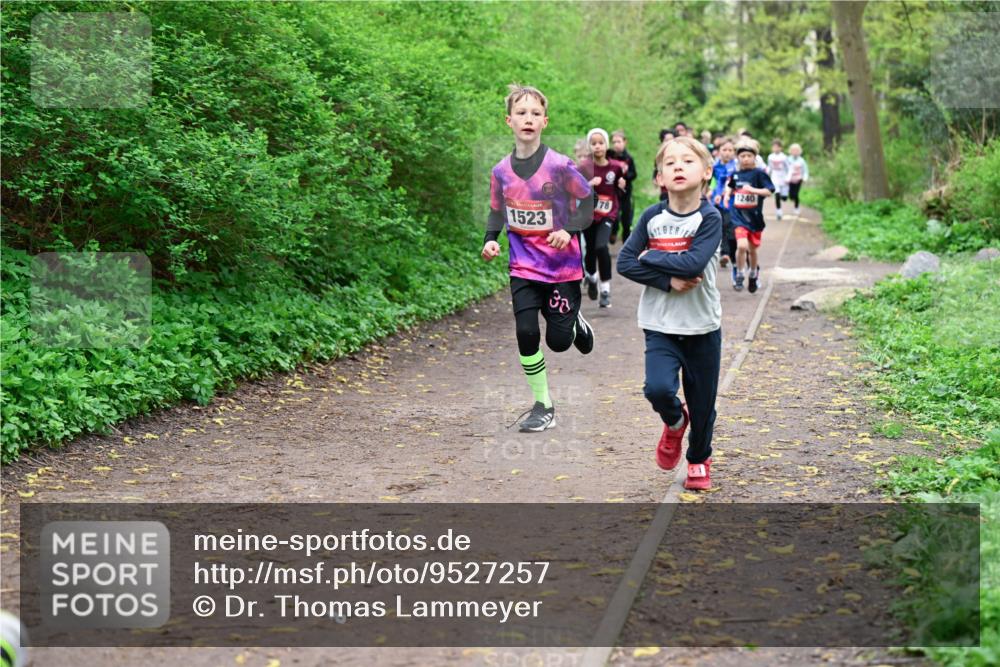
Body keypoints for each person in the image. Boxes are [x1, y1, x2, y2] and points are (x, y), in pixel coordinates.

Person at [481, 84, 596, 432]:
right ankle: (543, 405)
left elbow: (587, 202)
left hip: (561, 268)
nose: (527, 119)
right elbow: (497, 212)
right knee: (526, 331)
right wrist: (490, 240)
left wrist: (569, 230)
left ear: (545, 121)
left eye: (534, 113)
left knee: (558, 343)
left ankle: (573, 322)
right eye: (521, 113)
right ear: (509, 121)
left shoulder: (560, 165)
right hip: (523, 266)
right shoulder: (501, 171)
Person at [617, 136, 723, 491]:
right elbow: (625, 263)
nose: (679, 166)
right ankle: (675, 423)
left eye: (688, 161)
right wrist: (666, 280)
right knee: (658, 389)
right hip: (659, 323)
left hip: (702, 325)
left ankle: (698, 458)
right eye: (670, 163)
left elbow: (694, 263)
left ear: (706, 171)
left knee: (704, 404)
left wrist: (651, 258)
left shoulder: (710, 217)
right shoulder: (651, 217)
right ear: (659, 178)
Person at [579, 128, 627, 308]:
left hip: (608, 214)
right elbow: (573, 189)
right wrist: (589, 184)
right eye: (593, 143)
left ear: (606, 145)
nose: (597, 146)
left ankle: (605, 288)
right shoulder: (584, 167)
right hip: (588, 215)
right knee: (590, 251)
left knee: (601, 246)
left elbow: (621, 190)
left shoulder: (615, 167)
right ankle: (592, 277)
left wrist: (622, 186)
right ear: (589, 146)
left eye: (600, 143)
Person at [725, 140, 774, 294]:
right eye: (742, 156)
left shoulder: (760, 174)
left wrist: (753, 190)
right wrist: (726, 196)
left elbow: (769, 191)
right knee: (741, 246)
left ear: (755, 157)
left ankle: (753, 273)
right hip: (738, 216)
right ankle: (740, 273)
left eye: (749, 155)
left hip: (755, 218)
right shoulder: (736, 174)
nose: (745, 158)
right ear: (738, 158)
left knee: (752, 250)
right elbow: (730, 185)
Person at [710, 137, 738, 275]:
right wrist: (710, 191)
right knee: (721, 225)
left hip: (732, 200)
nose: (727, 152)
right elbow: (711, 181)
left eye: (730, 150)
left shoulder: (735, 167)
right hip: (716, 201)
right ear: (719, 151)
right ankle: (724, 253)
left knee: (730, 227)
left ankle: (731, 253)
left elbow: (729, 182)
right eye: (724, 149)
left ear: (734, 152)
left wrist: (722, 193)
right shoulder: (714, 166)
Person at [608, 129, 638, 244]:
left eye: (618, 141)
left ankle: (626, 245)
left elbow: (634, 174)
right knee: (614, 217)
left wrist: (625, 177)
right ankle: (613, 232)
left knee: (626, 220)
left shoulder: (628, 158)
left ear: (624, 142)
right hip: (613, 193)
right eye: (614, 142)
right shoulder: (609, 156)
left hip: (626, 193)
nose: (616, 144)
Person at [766, 139, 790, 221]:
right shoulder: (770, 157)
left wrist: (788, 177)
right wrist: (767, 174)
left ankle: (784, 197)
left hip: (783, 177)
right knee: (777, 193)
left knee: (784, 197)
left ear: (780, 148)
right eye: (774, 147)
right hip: (775, 177)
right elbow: (769, 167)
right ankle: (778, 211)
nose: (775, 149)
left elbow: (788, 168)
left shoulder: (784, 157)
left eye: (777, 147)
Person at [787, 143, 810, 216]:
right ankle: (792, 199)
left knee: (796, 194)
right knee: (791, 195)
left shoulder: (802, 161)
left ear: (799, 151)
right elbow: (785, 169)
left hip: (798, 179)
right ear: (790, 151)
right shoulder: (788, 159)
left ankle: (796, 208)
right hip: (790, 180)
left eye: (796, 150)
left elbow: (805, 170)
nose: (795, 152)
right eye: (793, 150)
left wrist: (804, 178)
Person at [653, 129, 675, 201]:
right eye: (667, 140)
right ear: (662, 142)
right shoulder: (660, 157)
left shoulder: (680, 155)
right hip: (665, 191)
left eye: (672, 139)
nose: (669, 142)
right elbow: (656, 169)